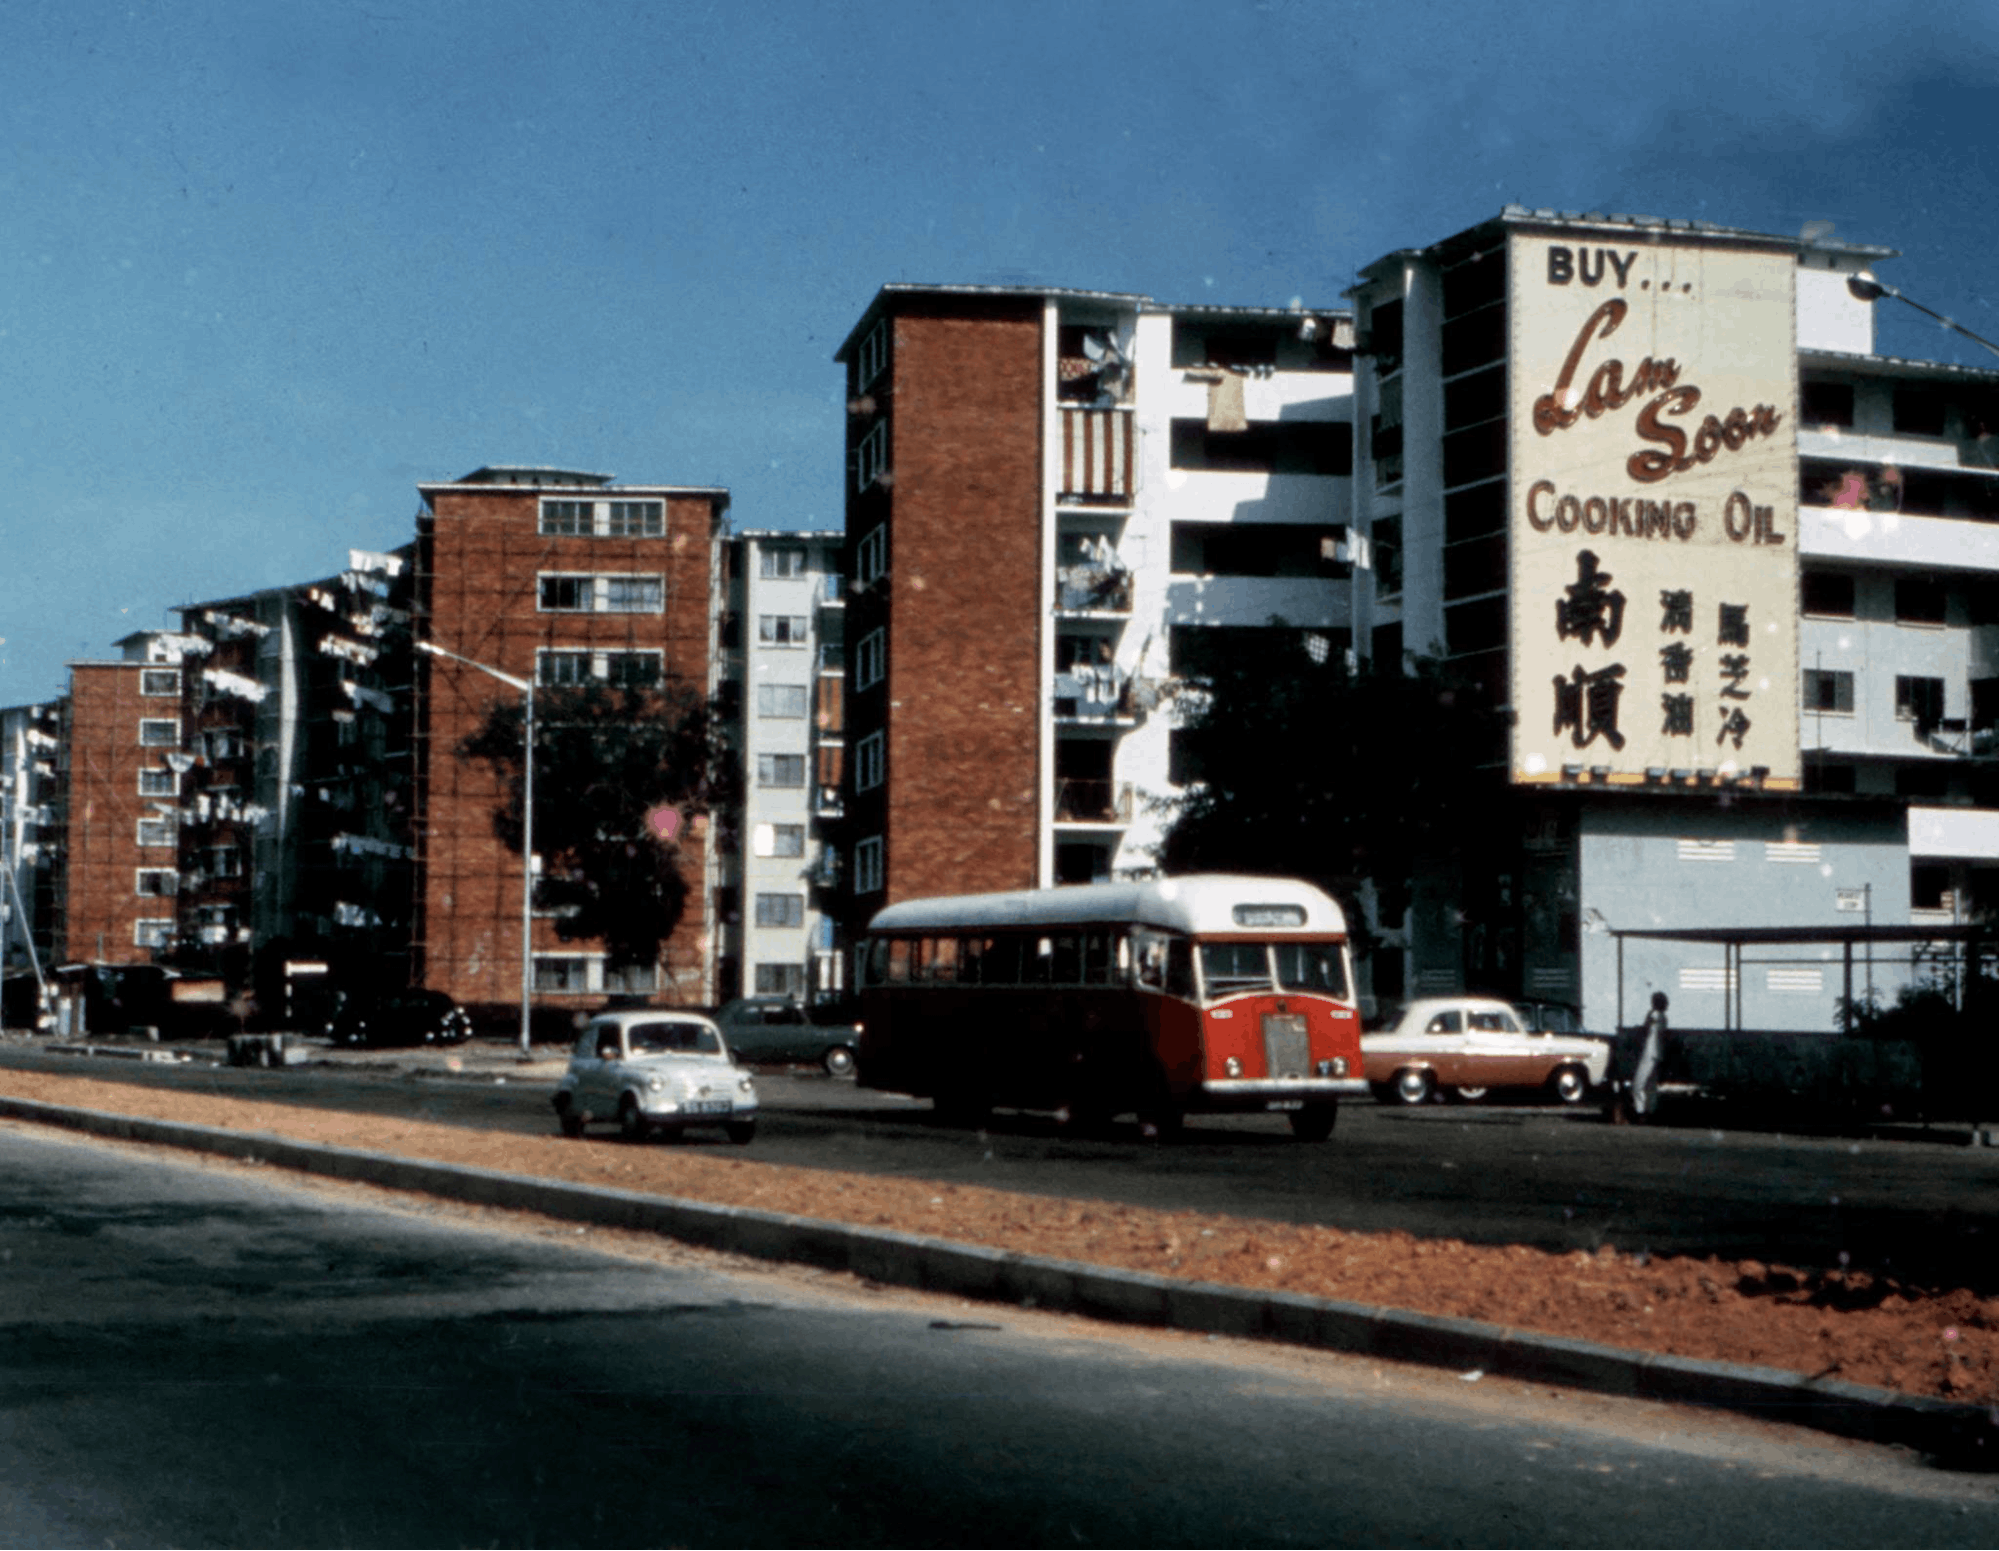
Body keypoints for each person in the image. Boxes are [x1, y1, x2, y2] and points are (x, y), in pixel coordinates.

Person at [1631, 991, 1669, 1121]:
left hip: (1649, 1052)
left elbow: (1646, 1028)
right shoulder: (1664, 1017)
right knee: (1651, 1085)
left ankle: (1640, 1111)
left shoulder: (1654, 1014)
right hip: (1657, 1054)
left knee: (1638, 1085)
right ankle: (1650, 1111)